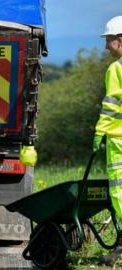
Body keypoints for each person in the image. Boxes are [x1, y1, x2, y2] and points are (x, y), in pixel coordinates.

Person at [93, 16, 122, 267]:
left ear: (121, 41)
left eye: (109, 41)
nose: (106, 47)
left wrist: (99, 132)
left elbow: (111, 105)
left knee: (119, 190)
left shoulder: (117, 69)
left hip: (119, 140)